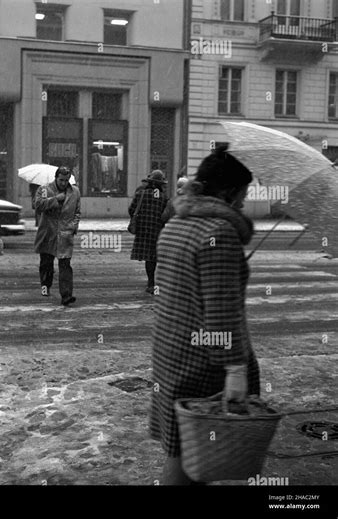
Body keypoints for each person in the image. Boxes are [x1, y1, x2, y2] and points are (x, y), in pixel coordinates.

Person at [150, 143, 260, 485]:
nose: (244, 201)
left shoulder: (177, 224)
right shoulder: (220, 233)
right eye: (243, 193)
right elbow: (222, 312)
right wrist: (236, 370)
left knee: (183, 448)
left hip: (171, 351)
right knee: (209, 453)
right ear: (228, 192)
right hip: (203, 364)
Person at [34, 166, 81, 306]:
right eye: (61, 180)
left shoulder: (75, 192)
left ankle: (66, 295)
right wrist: (55, 199)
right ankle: (45, 286)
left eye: (66, 180)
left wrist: (74, 226)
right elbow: (37, 205)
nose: (63, 183)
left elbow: (77, 212)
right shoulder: (44, 190)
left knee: (65, 265)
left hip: (65, 233)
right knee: (46, 263)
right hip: (48, 232)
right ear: (56, 178)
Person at [129, 170, 169, 294]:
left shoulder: (141, 194)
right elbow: (166, 215)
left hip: (143, 229)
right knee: (153, 258)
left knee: (148, 258)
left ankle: (150, 282)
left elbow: (131, 209)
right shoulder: (163, 198)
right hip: (157, 230)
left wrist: (140, 219)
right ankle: (152, 283)